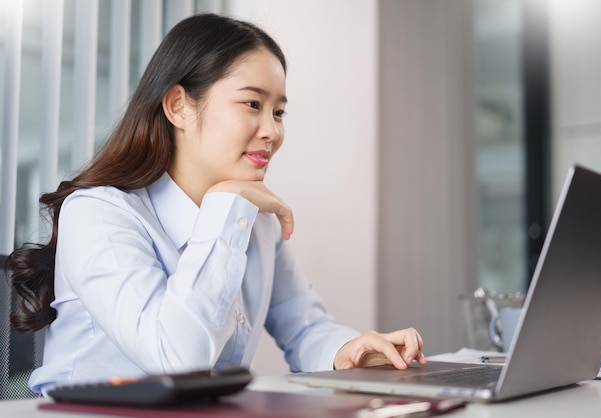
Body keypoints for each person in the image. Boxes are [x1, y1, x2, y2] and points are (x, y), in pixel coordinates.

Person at [7, 13, 426, 396]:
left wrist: (350, 352)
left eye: (279, 112)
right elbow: (178, 360)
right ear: (178, 107)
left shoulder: (252, 222)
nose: (272, 131)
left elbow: (305, 327)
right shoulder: (99, 213)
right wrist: (226, 207)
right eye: (252, 104)